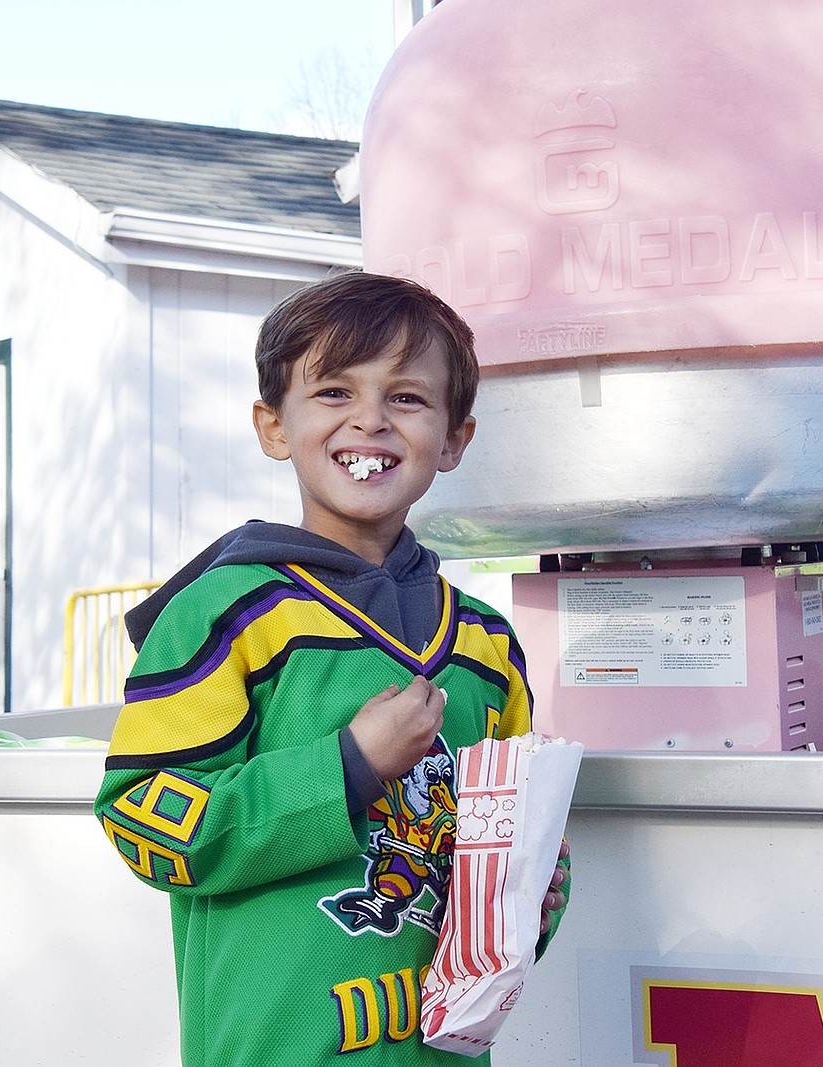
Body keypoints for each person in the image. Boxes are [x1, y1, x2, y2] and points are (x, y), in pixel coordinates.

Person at [93, 271, 570, 1066]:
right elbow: (142, 819)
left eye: (409, 398)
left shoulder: (488, 645)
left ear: (455, 438)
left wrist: (533, 894)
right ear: (274, 425)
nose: (371, 420)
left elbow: (519, 851)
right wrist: (347, 769)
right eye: (335, 392)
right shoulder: (229, 612)